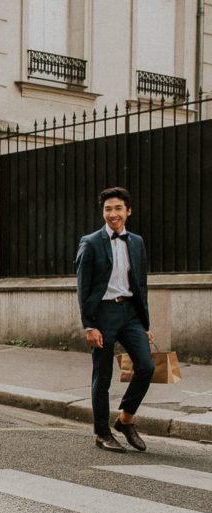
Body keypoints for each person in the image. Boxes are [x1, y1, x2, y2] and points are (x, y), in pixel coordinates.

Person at [76, 186, 154, 452]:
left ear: (128, 211)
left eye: (118, 208)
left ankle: (125, 419)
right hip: (103, 314)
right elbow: (83, 287)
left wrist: (145, 325)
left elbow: (140, 285)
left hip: (130, 313)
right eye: (108, 209)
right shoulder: (91, 242)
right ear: (103, 212)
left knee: (146, 367)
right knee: (103, 376)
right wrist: (89, 324)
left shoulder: (137, 242)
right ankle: (102, 433)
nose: (112, 214)